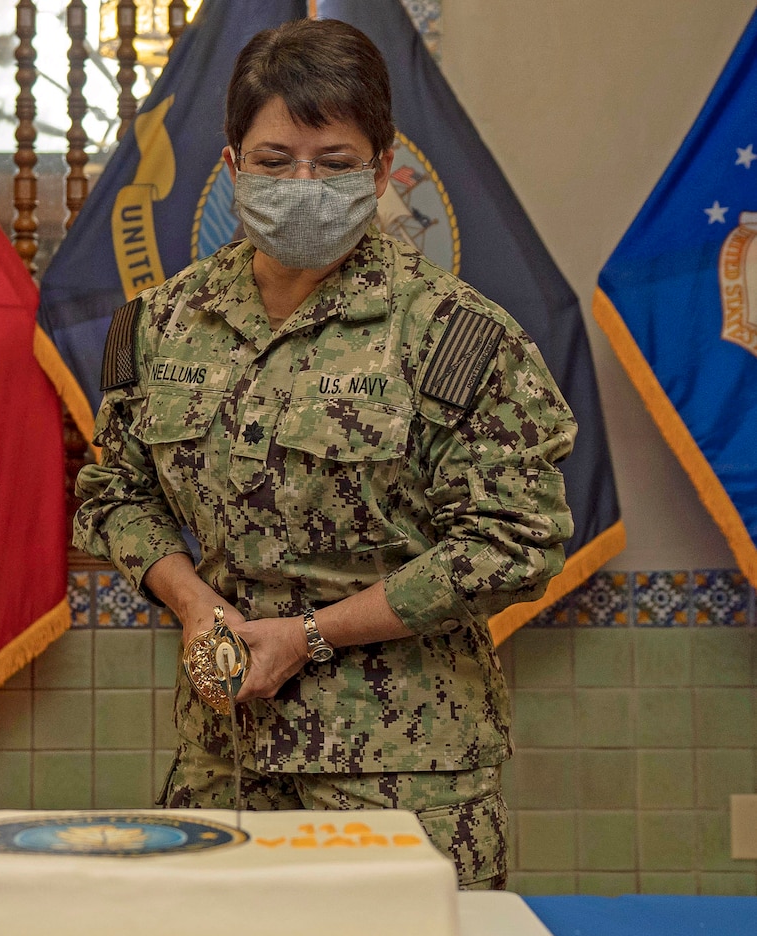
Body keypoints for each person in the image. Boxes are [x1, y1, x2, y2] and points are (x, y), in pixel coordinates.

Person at [72, 18, 575, 889]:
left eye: (333, 162)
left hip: (403, 778)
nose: (302, 182)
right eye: (274, 161)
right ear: (232, 169)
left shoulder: (453, 336)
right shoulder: (158, 326)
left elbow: (517, 542)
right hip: (223, 763)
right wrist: (192, 603)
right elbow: (111, 493)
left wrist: (310, 636)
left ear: (382, 171)